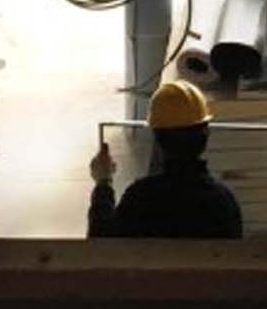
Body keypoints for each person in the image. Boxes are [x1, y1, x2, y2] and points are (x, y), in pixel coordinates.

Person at [86, 80, 244, 240]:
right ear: (206, 136)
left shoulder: (140, 198)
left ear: (157, 139)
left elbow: (99, 245)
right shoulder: (223, 203)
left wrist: (103, 183)